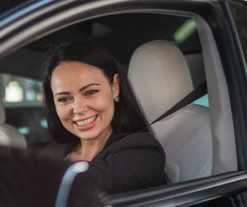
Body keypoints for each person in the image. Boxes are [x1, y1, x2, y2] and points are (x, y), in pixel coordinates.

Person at [43, 41, 166, 193]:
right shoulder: (53, 152)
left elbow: (70, 184)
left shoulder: (144, 154)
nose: (79, 108)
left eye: (90, 92)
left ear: (115, 87)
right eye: (64, 99)